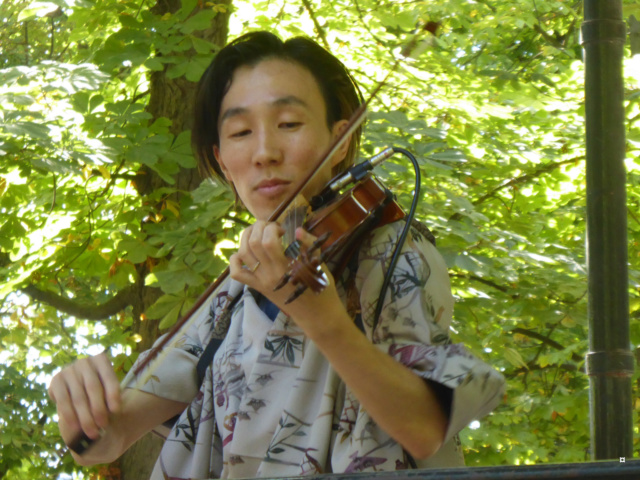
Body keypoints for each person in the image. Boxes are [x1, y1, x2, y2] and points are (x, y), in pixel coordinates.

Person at [49, 31, 505, 479]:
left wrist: (321, 318)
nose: (265, 152)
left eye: (288, 124)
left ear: (340, 139)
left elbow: (425, 429)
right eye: (241, 132)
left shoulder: (388, 249)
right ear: (223, 161)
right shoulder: (232, 292)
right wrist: (84, 414)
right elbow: (110, 439)